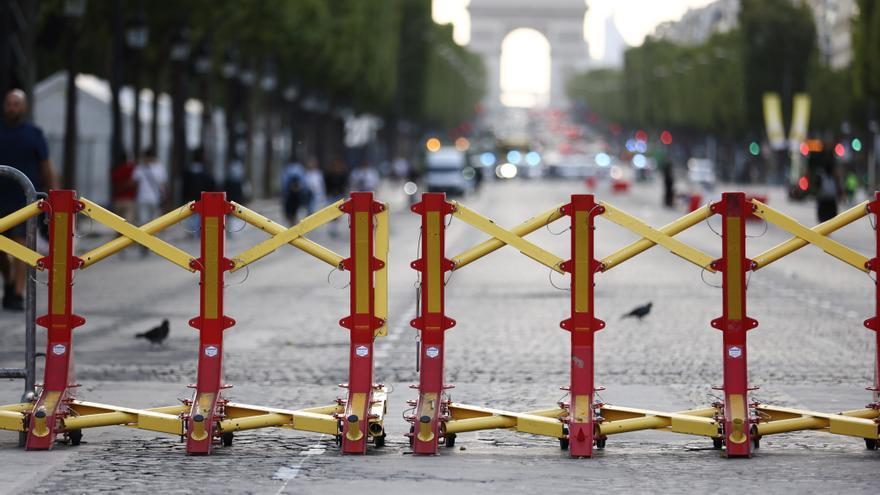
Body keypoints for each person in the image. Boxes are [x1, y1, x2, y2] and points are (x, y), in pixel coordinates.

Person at [0, 89, 58, 311]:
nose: (12, 107)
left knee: (21, 245)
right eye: (9, 103)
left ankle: (17, 293)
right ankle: (9, 281)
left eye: (17, 103)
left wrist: (52, 194)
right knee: (2, 251)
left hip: (24, 199)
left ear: (24, 107)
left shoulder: (34, 134)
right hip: (0, 199)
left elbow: (46, 167)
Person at [132, 148, 167, 255]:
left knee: (143, 223)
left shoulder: (140, 168)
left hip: (142, 198)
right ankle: (149, 244)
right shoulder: (159, 168)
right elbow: (163, 184)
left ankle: (144, 244)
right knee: (152, 223)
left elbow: (134, 183)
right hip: (154, 199)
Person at [812, 150, 840, 223]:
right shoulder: (832, 176)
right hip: (828, 200)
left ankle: (824, 231)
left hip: (825, 200)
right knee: (828, 219)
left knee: (824, 219)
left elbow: (816, 186)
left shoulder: (822, 175)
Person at [280, 154, 307, 225]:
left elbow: (284, 181)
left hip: (290, 194)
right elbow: (304, 181)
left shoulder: (288, 169)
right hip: (297, 193)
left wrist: (284, 192)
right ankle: (294, 223)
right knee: (296, 210)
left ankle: (292, 223)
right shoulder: (300, 168)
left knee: (289, 212)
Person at [111, 151, 137, 222]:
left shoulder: (115, 170)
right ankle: (125, 234)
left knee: (117, 222)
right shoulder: (131, 169)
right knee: (128, 222)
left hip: (118, 199)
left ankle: (118, 233)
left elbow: (114, 184)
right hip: (129, 199)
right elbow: (134, 182)